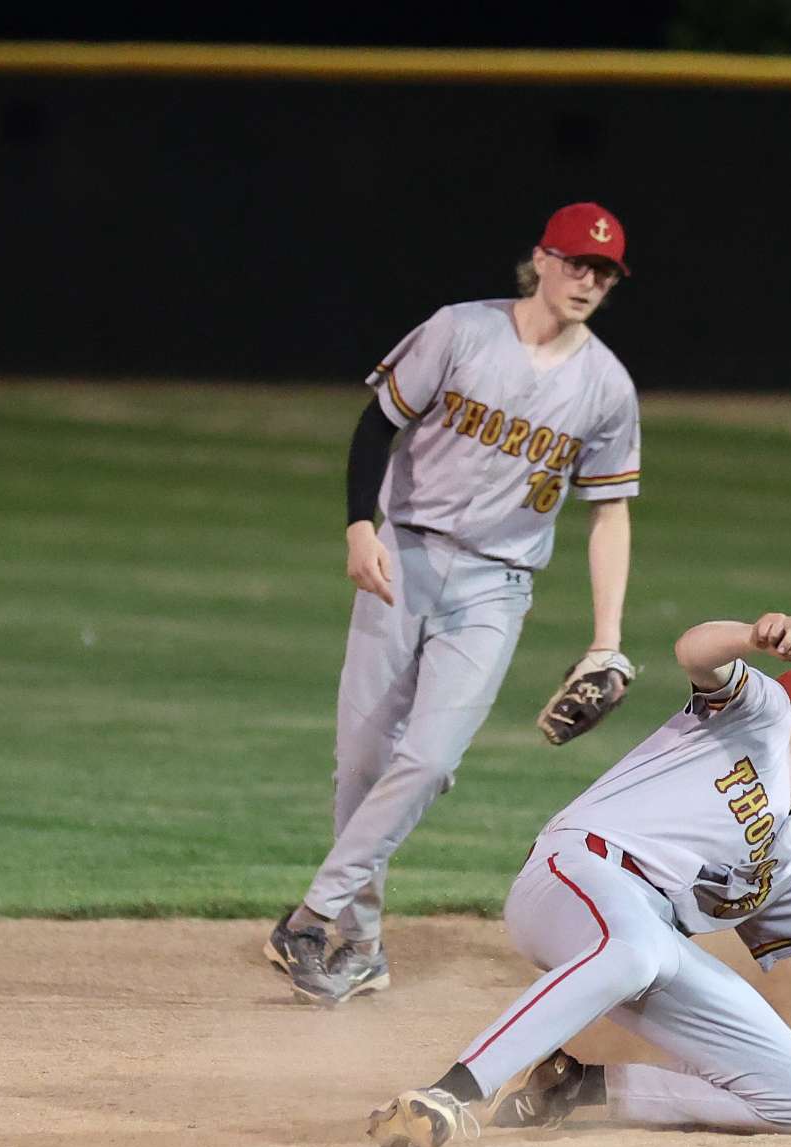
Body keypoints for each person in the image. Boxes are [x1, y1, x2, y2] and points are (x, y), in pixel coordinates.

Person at [264, 201, 644, 1005]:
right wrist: (358, 526)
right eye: (577, 263)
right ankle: (361, 946)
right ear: (542, 259)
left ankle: (312, 914)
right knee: (361, 763)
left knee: (430, 760)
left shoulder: (607, 387)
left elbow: (609, 511)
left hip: (496, 588)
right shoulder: (460, 331)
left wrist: (607, 638)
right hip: (400, 559)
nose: (588, 280)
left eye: (604, 272)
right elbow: (378, 425)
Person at [366, 612, 791, 1147]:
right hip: (577, 875)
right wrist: (752, 636)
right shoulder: (762, 714)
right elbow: (694, 651)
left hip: (649, 943)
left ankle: (579, 1090)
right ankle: (452, 1093)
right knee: (634, 950)